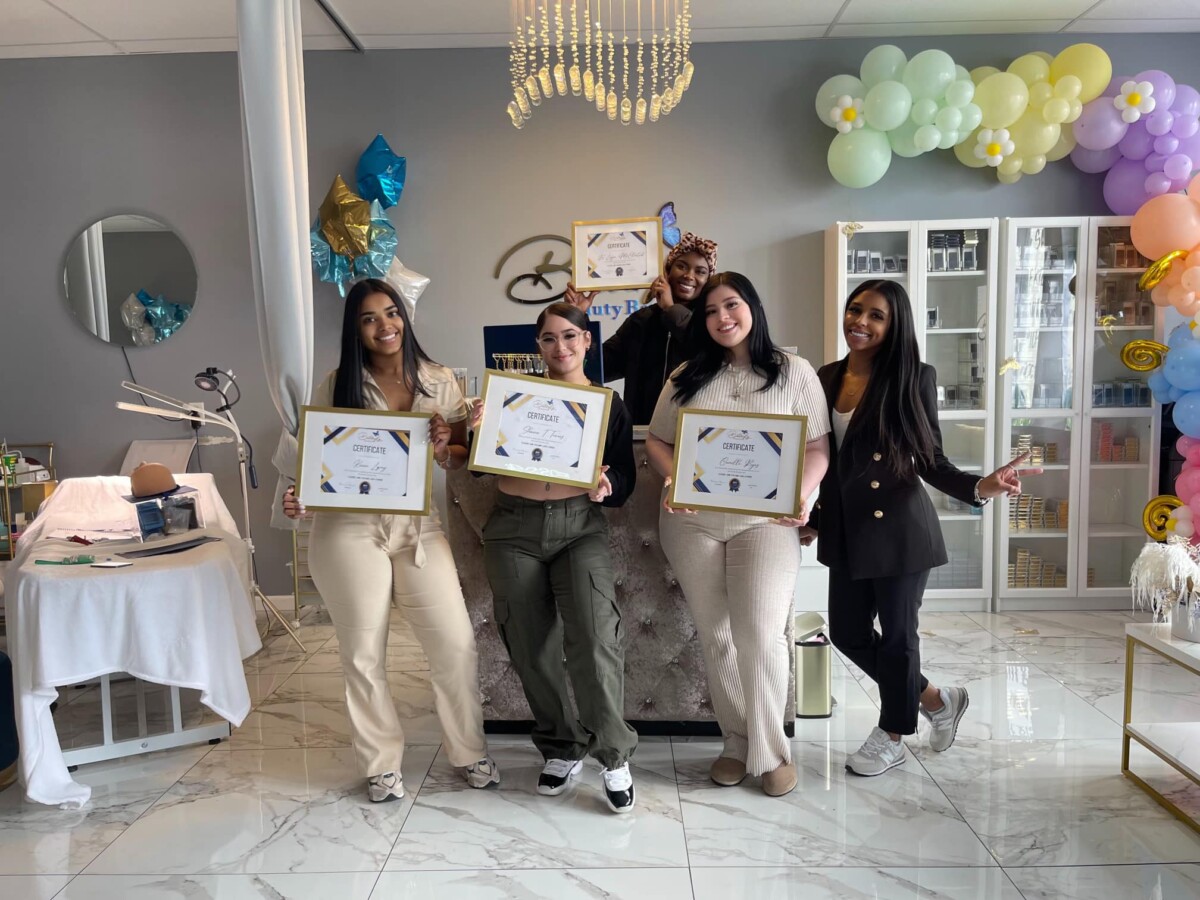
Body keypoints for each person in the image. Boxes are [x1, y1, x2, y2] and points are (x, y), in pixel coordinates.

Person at [806, 279, 1035, 777]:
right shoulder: (825, 376)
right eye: (855, 310)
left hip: (899, 531)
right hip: (846, 530)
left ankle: (892, 733)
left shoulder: (913, 376)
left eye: (876, 316)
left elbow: (930, 459)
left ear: (895, 326)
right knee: (846, 632)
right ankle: (935, 699)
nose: (860, 322)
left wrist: (981, 486)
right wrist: (815, 519)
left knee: (897, 639)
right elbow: (829, 460)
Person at [282, 278, 498, 803]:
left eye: (391, 313)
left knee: (455, 643)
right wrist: (299, 497)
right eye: (369, 318)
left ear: (405, 315)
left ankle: (469, 751)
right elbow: (313, 466)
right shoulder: (336, 385)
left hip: (418, 526)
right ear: (355, 330)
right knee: (362, 653)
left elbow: (463, 455)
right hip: (347, 528)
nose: (385, 326)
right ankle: (381, 765)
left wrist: (451, 442)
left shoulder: (439, 379)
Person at [644, 272, 831, 797]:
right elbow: (656, 441)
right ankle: (736, 740)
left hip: (765, 522)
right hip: (691, 520)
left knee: (761, 632)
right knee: (717, 633)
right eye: (710, 310)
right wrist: (676, 473)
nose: (722, 318)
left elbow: (817, 448)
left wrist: (803, 493)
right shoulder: (687, 375)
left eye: (732, 305)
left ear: (753, 306)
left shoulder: (794, 372)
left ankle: (770, 752)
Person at [471, 302, 640, 813]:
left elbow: (625, 480)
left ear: (588, 342)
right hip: (512, 527)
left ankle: (612, 753)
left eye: (570, 336)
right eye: (548, 339)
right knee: (528, 643)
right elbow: (479, 470)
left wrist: (607, 487)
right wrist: (478, 429)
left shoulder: (608, 404)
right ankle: (561, 746)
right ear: (537, 346)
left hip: (578, 529)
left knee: (593, 637)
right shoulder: (510, 397)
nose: (560, 347)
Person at [566, 232, 718, 424]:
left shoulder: (711, 321)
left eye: (700, 271)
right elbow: (599, 365)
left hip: (693, 431)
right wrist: (578, 318)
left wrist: (671, 309)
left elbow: (701, 346)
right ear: (667, 271)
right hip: (640, 434)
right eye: (681, 266)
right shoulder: (642, 320)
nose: (689, 276)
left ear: (708, 280)